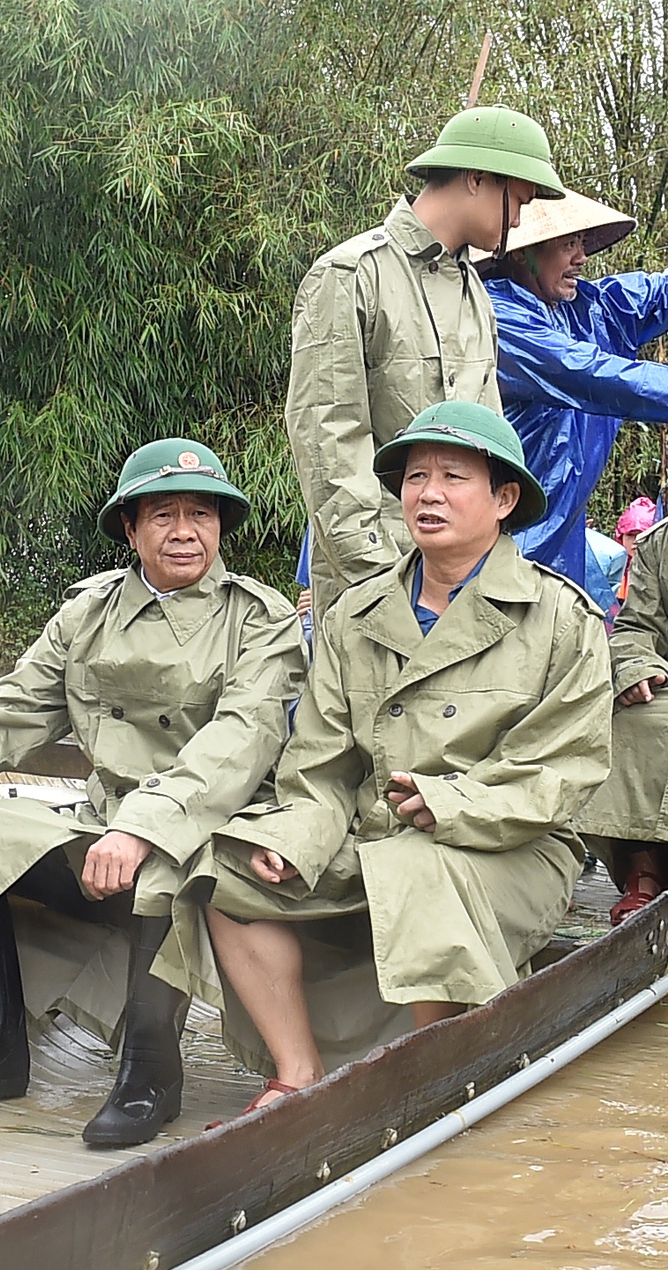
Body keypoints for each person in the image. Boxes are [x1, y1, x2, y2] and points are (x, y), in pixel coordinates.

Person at [0, 440, 304, 1147]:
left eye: (202, 513)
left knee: (168, 866)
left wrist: (142, 827)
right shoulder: (88, 613)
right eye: (163, 514)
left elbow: (237, 745)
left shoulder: (260, 619)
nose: (185, 530)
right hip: (96, 820)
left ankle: (149, 1071)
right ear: (131, 530)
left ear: (223, 526)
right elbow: (15, 704)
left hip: (197, 828)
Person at [192, 403, 610, 1113]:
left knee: (422, 864)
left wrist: (451, 803)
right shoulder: (354, 616)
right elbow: (319, 768)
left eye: (453, 476)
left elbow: (559, 775)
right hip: (371, 837)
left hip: (513, 849)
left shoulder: (561, 619)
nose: (428, 493)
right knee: (222, 867)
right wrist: (292, 839)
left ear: (503, 498)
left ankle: (431, 1083)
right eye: (416, 477)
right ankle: (298, 1073)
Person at [289, 106, 565, 612]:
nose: (521, 220)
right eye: (519, 201)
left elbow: (490, 444)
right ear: (479, 178)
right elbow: (327, 440)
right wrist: (382, 582)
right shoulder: (351, 276)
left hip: (468, 584)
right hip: (373, 588)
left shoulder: (476, 294)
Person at [485, 192, 668, 591]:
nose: (581, 257)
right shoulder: (498, 318)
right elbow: (590, 373)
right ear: (522, 252)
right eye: (569, 244)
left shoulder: (588, 309)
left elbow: (655, 295)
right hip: (503, 544)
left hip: (562, 549)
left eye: (582, 242)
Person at [580, 512, 668, 921]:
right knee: (629, 720)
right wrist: (637, 667)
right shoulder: (659, 544)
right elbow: (635, 628)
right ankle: (642, 870)